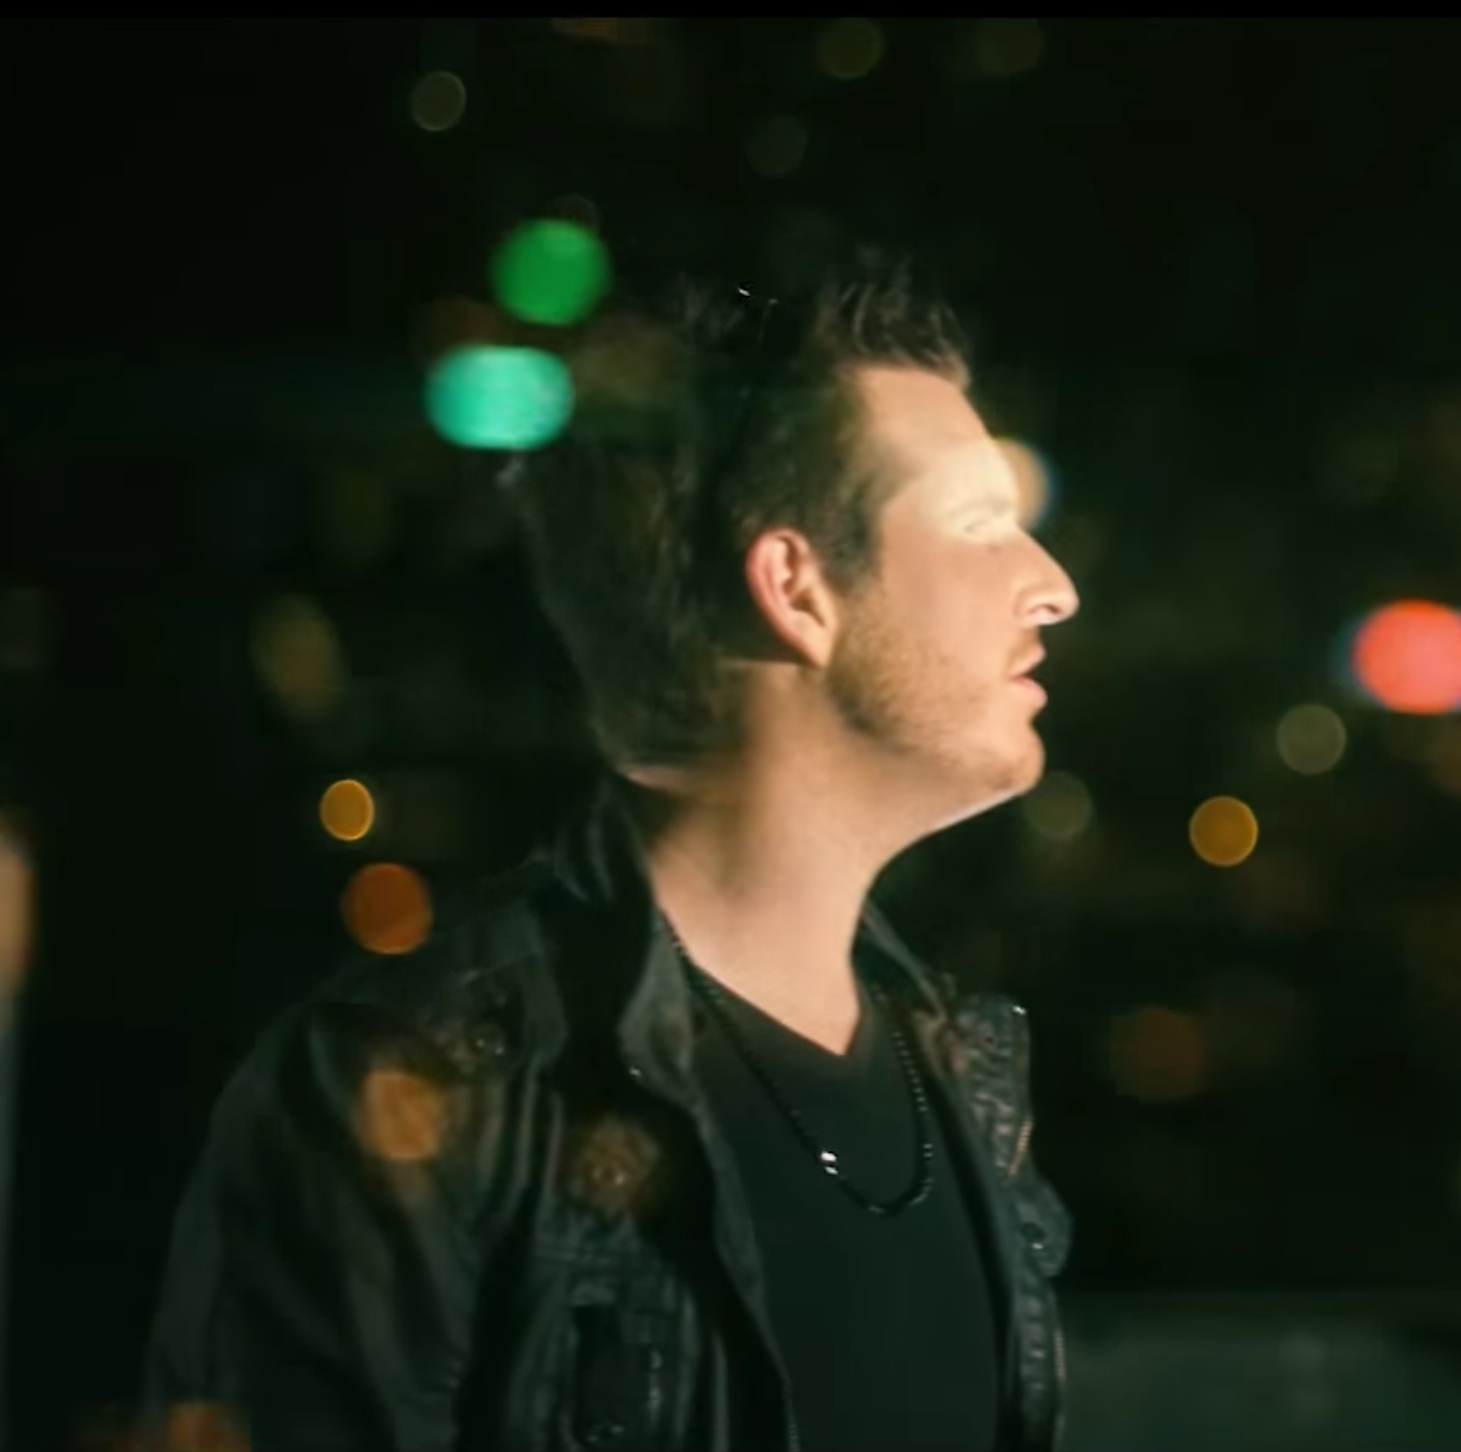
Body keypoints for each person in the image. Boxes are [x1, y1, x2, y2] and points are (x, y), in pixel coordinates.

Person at [135, 252, 1084, 1451]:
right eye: (982, 525)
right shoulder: (423, 1083)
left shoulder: (963, 1072)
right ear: (796, 588)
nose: (1051, 587)